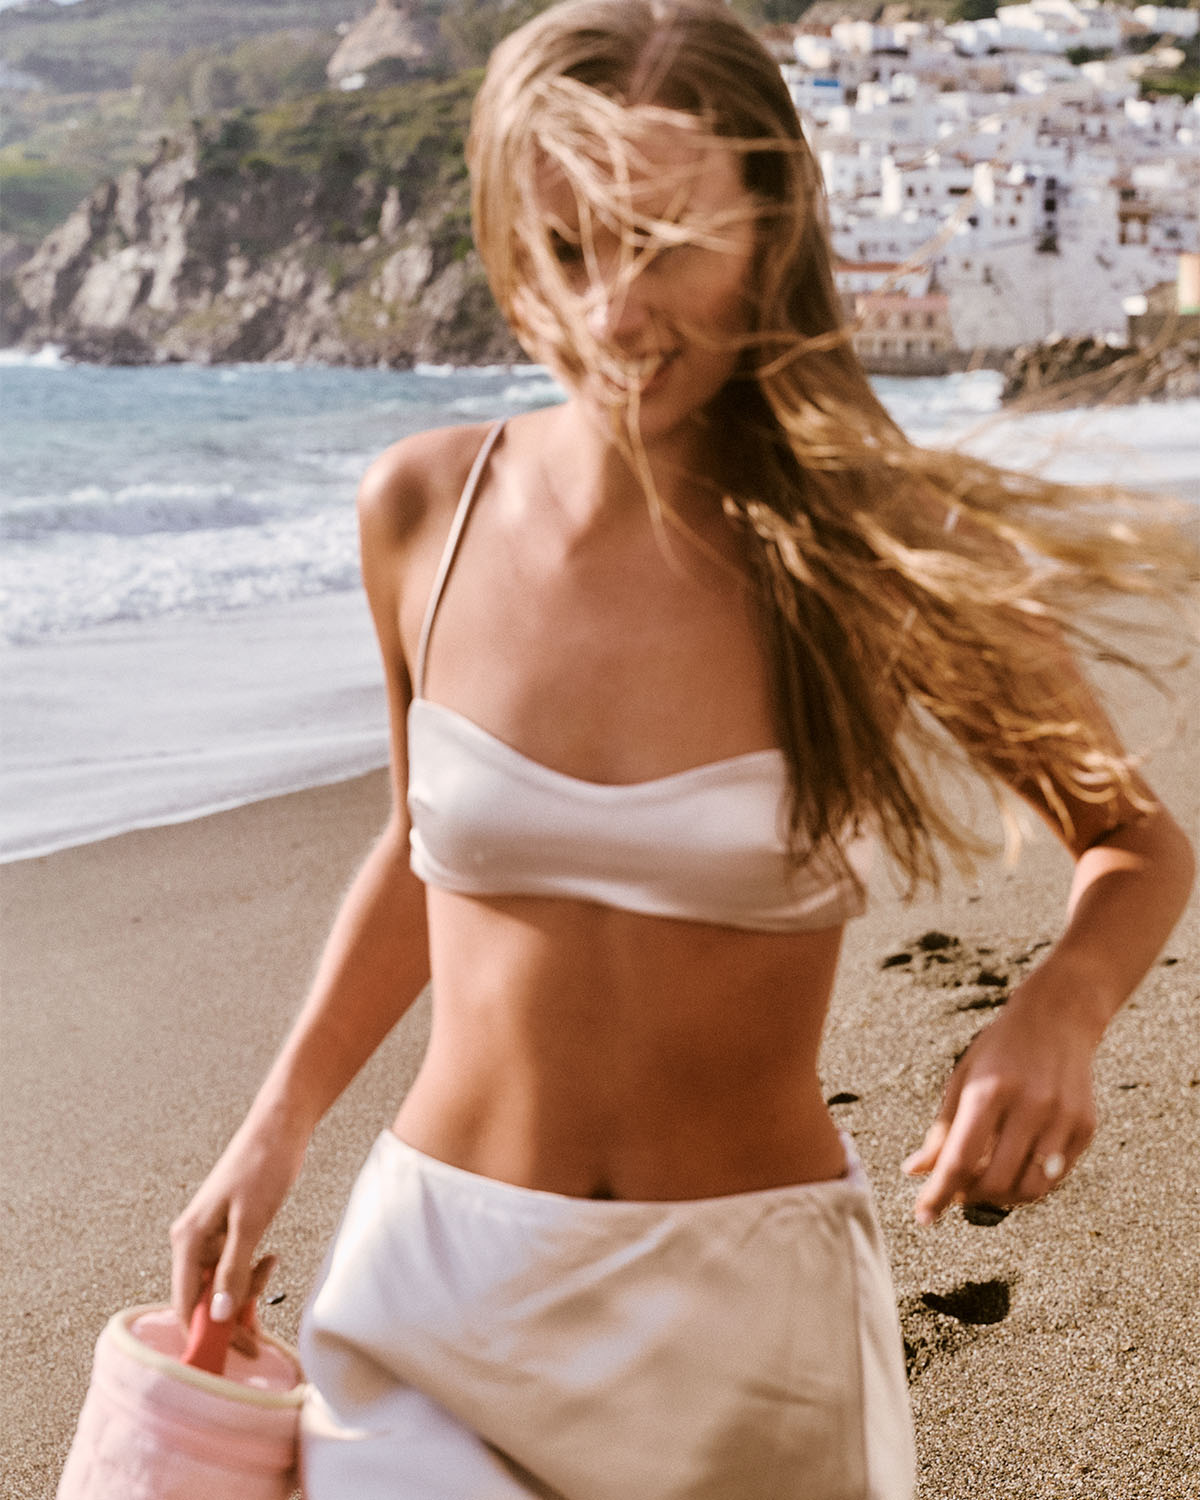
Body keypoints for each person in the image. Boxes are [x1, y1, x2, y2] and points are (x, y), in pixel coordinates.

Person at [169, 2, 1196, 1496]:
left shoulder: (877, 548)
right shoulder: (420, 512)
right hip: (432, 1291)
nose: (612, 313)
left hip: (747, 1330)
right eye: (567, 250)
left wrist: (1059, 1009)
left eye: (666, 244)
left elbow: (1136, 840)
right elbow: (420, 851)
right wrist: (271, 1131)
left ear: (772, 232)